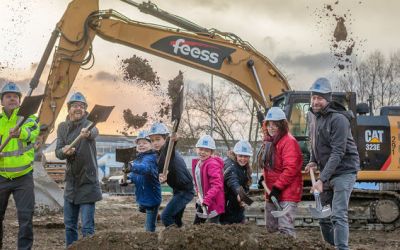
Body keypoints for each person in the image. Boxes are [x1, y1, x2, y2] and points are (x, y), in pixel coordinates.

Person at [305, 78, 360, 250]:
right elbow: (314, 143)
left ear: (327, 99)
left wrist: (322, 179)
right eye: (313, 97)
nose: (315, 101)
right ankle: (332, 246)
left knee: (337, 214)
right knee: (323, 217)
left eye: (319, 98)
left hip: (344, 170)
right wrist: (313, 160)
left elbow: (338, 153)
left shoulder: (338, 119)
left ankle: (342, 248)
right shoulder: (314, 118)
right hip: (327, 171)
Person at [55, 92, 102, 247]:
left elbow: (94, 132)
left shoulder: (89, 124)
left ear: (85, 110)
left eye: (81, 106)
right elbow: (58, 152)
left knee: (87, 228)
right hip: (71, 184)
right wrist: (64, 151)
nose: (78, 108)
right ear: (69, 109)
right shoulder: (62, 127)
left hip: (88, 182)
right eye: (75, 105)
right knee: (70, 226)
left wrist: (88, 132)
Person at [0, 82, 39, 250]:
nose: (12, 99)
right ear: (2, 101)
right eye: (8, 96)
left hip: (24, 176)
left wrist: (20, 133)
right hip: (1, 176)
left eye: (15, 96)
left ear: (19, 101)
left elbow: (32, 132)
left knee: (25, 218)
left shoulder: (28, 118)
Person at [262, 107, 303, 237]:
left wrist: (277, 187)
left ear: (282, 125)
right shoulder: (270, 142)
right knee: (271, 228)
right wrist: (263, 179)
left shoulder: (288, 142)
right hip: (272, 193)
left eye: (275, 124)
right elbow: (270, 166)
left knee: (285, 230)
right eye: (269, 124)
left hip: (286, 193)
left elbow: (291, 168)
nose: (271, 127)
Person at [148, 122, 194, 228]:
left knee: (166, 216)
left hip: (185, 191)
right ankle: (180, 237)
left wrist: (172, 140)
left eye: (158, 139)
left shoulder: (168, 152)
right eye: (152, 140)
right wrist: (161, 177)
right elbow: (160, 169)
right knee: (176, 219)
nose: (155, 143)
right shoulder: (159, 155)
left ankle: (174, 238)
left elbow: (169, 148)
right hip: (178, 190)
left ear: (165, 139)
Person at [127, 130, 161, 232]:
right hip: (143, 196)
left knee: (149, 228)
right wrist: (128, 179)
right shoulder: (137, 158)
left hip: (152, 197)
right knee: (144, 208)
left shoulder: (151, 157)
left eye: (145, 143)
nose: (141, 145)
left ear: (151, 145)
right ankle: (157, 216)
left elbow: (145, 168)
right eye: (139, 143)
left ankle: (151, 241)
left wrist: (132, 166)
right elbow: (135, 175)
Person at [192, 135, 225, 224]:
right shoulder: (198, 163)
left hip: (213, 201)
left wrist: (207, 200)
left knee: (212, 229)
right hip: (202, 200)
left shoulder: (212, 164)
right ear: (197, 149)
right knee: (196, 225)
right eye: (201, 149)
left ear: (211, 152)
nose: (203, 152)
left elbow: (217, 185)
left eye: (206, 150)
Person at [220, 140, 252, 224]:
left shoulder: (245, 167)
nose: (243, 159)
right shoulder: (231, 166)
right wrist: (240, 194)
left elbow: (245, 184)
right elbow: (233, 181)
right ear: (235, 154)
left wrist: (243, 197)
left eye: (246, 156)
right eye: (240, 156)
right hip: (227, 206)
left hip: (236, 205)